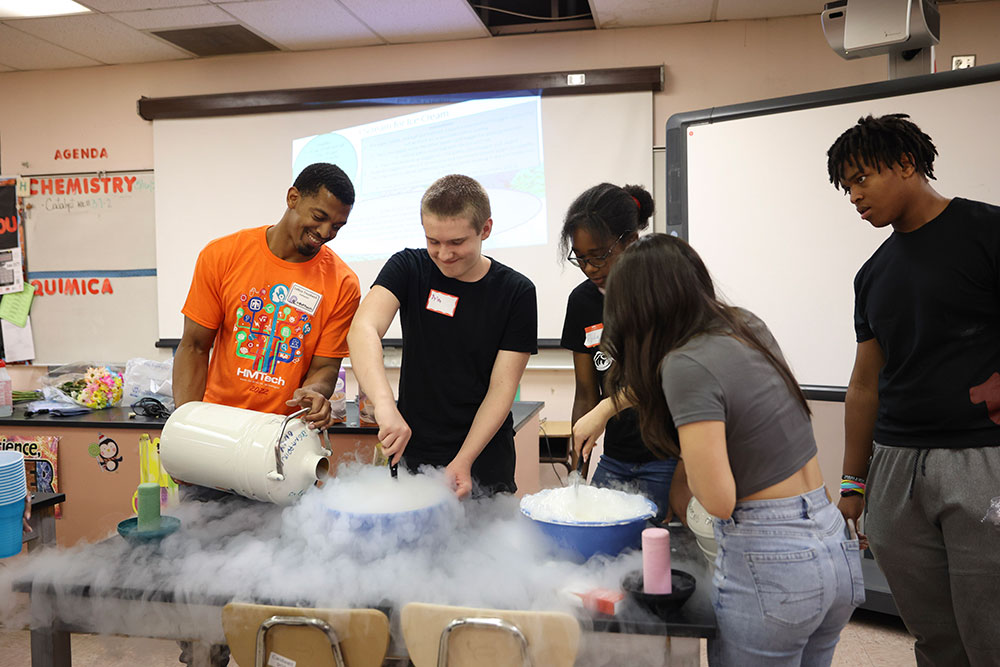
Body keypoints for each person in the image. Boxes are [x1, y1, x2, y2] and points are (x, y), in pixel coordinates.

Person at [602, 233, 862, 665]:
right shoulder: (744, 324)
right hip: (831, 538)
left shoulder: (683, 364)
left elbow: (719, 501)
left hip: (773, 556)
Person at [827, 113, 1000, 666]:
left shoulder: (987, 232)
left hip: (981, 459)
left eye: (861, 179)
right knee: (934, 636)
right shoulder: (873, 274)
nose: (854, 196)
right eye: (846, 186)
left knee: (990, 631)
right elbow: (864, 386)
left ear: (906, 164)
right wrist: (854, 481)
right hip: (896, 469)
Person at [171, 162, 360, 665]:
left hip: (282, 456)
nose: (323, 234)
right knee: (204, 590)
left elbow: (324, 370)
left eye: (336, 227)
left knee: (275, 589)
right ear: (292, 196)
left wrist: (318, 394)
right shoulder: (223, 255)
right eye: (318, 217)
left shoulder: (340, 282)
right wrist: (185, 431)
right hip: (213, 449)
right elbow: (193, 347)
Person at [347, 174, 537, 498]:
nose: (443, 254)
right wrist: (384, 406)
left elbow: (502, 388)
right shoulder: (409, 267)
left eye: (456, 243)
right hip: (415, 454)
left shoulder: (516, 292)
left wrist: (464, 459)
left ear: (485, 230)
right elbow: (362, 329)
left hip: (483, 462)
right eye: (433, 241)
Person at [559, 183, 676, 522]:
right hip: (616, 459)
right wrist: (578, 458)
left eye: (599, 256)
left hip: (669, 458)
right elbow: (586, 393)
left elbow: (661, 379)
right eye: (580, 259)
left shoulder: (662, 293)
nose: (590, 268)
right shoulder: (581, 303)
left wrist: (686, 469)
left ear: (631, 242)